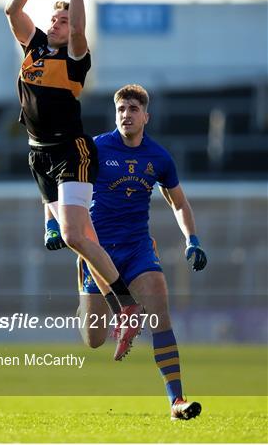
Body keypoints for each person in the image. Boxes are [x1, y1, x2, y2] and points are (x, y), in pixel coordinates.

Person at [4, 0, 142, 360]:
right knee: (80, 240)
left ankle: (128, 306)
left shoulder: (75, 57)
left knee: (74, 236)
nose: (58, 23)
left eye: (63, 20)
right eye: (55, 18)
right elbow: (13, 11)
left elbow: (81, 30)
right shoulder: (35, 46)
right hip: (38, 153)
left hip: (72, 151)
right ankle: (122, 303)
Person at [45, 84, 207, 420]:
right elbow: (52, 183)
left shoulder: (159, 157)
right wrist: (51, 225)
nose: (126, 115)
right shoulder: (94, 149)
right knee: (93, 338)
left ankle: (177, 402)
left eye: (133, 109)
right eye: (121, 109)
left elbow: (179, 203)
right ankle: (83, 279)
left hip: (137, 250)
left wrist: (192, 239)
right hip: (98, 250)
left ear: (146, 116)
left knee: (160, 309)